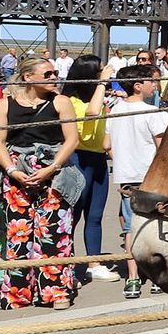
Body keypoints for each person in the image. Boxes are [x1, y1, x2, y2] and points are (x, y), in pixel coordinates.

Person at [0, 55, 81, 309]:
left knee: (54, 233)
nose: (55, 77)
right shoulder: (4, 105)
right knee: (18, 235)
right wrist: (11, 171)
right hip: (16, 172)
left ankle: (56, 293)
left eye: (54, 73)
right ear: (29, 77)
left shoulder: (61, 102)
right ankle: (17, 293)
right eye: (48, 74)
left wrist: (52, 168)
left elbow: (72, 139)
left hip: (54, 170)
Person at [108, 65, 168, 299]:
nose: (154, 85)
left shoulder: (114, 110)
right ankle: (156, 274)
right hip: (151, 177)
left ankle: (132, 278)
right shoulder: (154, 113)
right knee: (156, 226)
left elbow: (107, 145)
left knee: (130, 229)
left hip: (125, 178)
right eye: (151, 81)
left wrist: (124, 161)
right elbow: (162, 149)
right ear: (138, 85)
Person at [62, 54, 119, 284]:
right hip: (78, 159)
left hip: (97, 160)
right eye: (100, 71)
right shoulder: (71, 101)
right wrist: (103, 83)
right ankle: (67, 264)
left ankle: (94, 263)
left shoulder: (99, 97)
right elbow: (92, 112)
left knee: (94, 216)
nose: (105, 74)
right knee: (72, 217)